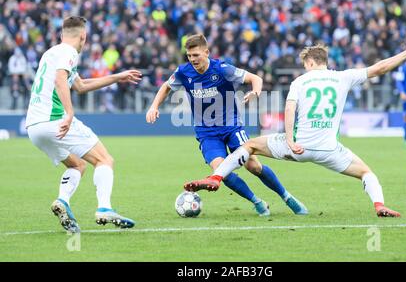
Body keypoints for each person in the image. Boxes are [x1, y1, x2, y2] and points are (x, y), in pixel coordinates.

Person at [185, 36, 406, 218]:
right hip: (329, 150)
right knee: (367, 172)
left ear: (310, 62)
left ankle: (216, 177)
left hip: (297, 146)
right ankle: (379, 205)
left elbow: (290, 110)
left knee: (249, 146)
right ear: (325, 62)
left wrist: (289, 140)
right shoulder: (344, 77)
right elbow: (380, 67)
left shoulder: (300, 81)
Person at [146, 34, 307, 216]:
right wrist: (154, 106)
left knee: (253, 166)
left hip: (232, 128)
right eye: (189, 56)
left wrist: (255, 92)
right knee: (221, 170)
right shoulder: (183, 72)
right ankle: (257, 202)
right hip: (207, 133)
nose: (192, 60)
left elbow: (256, 79)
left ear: (206, 52)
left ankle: (287, 197)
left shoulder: (222, 69)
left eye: (196, 55)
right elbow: (166, 86)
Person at [26, 16, 142, 233]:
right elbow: (61, 79)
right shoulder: (69, 52)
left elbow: (79, 85)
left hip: (34, 127)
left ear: (61, 35)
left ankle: (62, 201)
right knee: (104, 159)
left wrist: (117, 77)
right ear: (83, 36)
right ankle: (104, 208)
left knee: (78, 165)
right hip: (55, 120)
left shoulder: (51, 53)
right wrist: (69, 113)